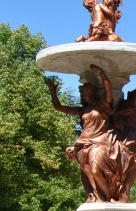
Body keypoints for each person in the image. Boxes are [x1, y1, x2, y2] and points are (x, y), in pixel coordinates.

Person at [46, 64, 122, 202]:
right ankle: (96, 196)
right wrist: (52, 91)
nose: (83, 95)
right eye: (82, 94)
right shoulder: (83, 110)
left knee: (95, 170)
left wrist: (102, 73)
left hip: (99, 143)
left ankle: (107, 197)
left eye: (85, 92)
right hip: (82, 145)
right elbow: (59, 107)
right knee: (88, 176)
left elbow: (108, 88)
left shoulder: (103, 105)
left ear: (92, 92)